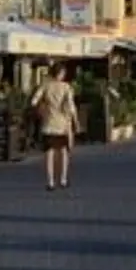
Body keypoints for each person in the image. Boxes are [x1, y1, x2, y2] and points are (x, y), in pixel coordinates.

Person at [31, 61, 79, 191]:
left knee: (49, 153)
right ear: (61, 73)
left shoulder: (45, 86)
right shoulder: (66, 87)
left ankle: (50, 181)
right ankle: (63, 179)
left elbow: (34, 101)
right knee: (63, 152)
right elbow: (71, 106)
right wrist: (75, 121)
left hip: (48, 123)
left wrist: (43, 109)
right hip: (62, 124)